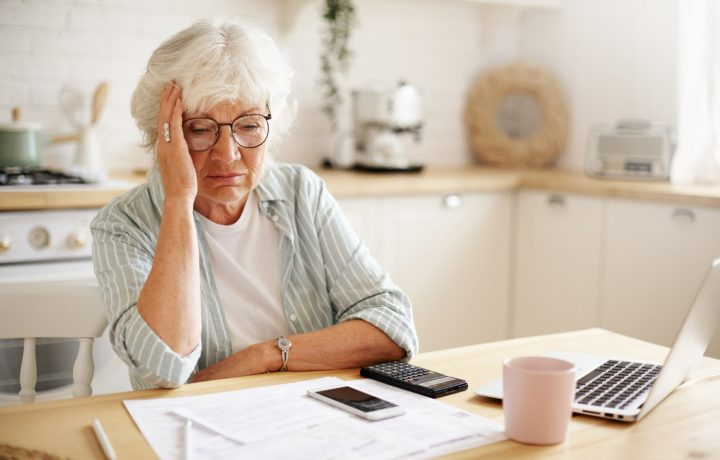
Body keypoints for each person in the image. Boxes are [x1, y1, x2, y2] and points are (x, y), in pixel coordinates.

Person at [91, 18, 418, 390]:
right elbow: (162, 369)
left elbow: (392, 328)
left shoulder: (301, 192)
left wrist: (266, 356)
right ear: (162, 134)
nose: (228, 154)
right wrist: (178, 201)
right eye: (199, 128)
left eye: (248, 125)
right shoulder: (122, 224)